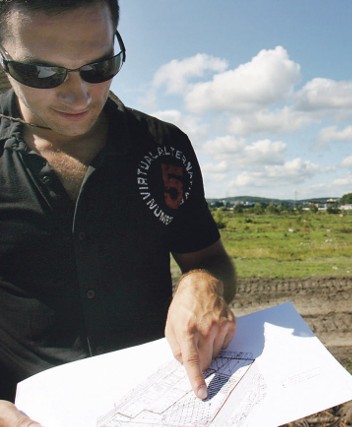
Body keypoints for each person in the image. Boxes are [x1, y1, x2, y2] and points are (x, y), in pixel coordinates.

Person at [0, 0, 238, 425]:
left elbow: (210, 259)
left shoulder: (166, 148)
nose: (79, 95)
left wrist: (202, 284)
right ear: (4, 56)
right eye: (42, 73)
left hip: (164, 408)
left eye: (98, 66)